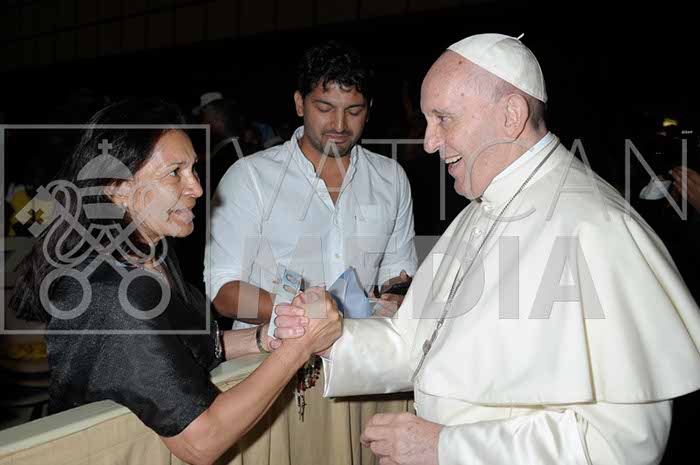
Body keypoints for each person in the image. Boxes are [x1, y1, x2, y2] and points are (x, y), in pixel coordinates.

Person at [276, 34, 700, 465]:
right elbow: (416, 341)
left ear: (511, 115)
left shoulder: (594, 227)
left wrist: (444, 448)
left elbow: (622, 446)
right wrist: (331, 337)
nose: (429, 142)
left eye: (443, 119)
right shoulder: (480, 210)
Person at [9, 99, 342, 465]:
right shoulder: (114, 293)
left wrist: (265, 336)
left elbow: (186, 350)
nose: (197, 188)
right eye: (174, 173)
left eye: (193, 169)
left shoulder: (152, 254)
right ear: (117, 189)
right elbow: (200, 442)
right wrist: (298, 349)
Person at [205, 40, 418, 464]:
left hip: (360, 371)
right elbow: (224, 292)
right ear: (299, 103)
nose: (339, 124)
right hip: (269, 375)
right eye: (325, 107)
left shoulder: (391, 177)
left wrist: (398, 295)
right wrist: (308, 319)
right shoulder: (250, 178)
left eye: (354, 111)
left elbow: (399, 273)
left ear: (369, 110)